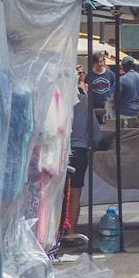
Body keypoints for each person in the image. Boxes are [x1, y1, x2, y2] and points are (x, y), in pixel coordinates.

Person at [60, 65, 97, 249]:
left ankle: (57, 231)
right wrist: (97, 141)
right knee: (75, 193)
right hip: (80, 148)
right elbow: (94, 128)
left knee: (60, 193)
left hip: (60, 150)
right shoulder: (83, 100)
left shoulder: (58, 98)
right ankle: (71, 231)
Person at [86, 51, 116, 125]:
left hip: (108, 110)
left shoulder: (111, 74)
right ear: (93, 64)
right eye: (97, 62)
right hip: (94, 110)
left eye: (100, 61)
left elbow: (114, 91)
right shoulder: (89, 76)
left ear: (103, 61)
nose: (99, 64)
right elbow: (86, 92)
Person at [115, 57, 139, 126]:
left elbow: (117, 97)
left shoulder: (122, 79)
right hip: (138, 114)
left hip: (124, 114)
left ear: (124, 66)